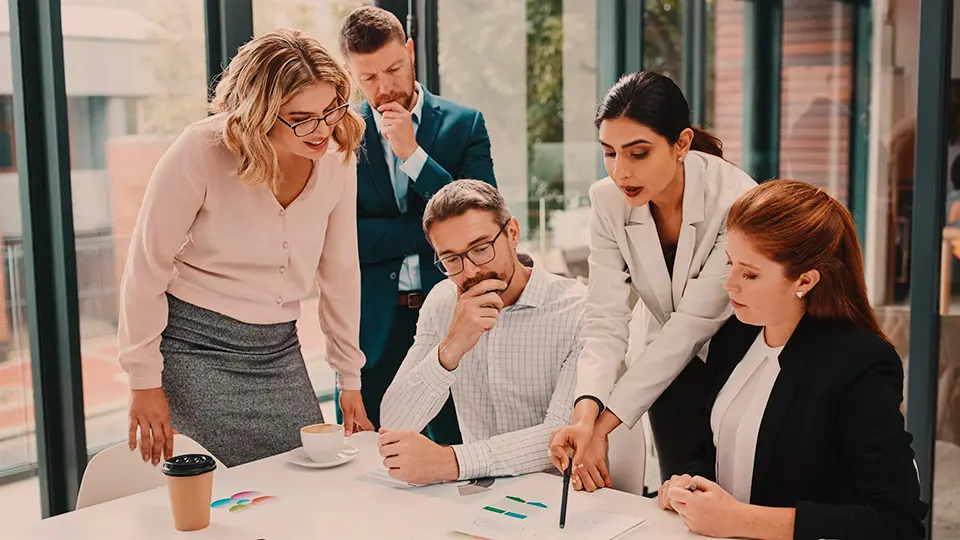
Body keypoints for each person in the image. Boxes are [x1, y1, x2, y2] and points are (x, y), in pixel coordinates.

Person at [119, 29, 374, 468]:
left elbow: (341, 272)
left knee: (306, 483)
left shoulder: (336, 156)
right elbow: (146, 267)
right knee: (222, 501)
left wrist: (349, 377)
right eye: (300, 117)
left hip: (278, 350)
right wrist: (144, 380)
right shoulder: (201, 150)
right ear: (259, 112)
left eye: (330, 110)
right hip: (194, 349)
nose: (321, 130)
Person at [657, 180, 927, 540]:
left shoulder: (861, 363)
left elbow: (896, 521)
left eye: (749, 273)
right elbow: (718, 448)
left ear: (805, 280)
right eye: (730, 264)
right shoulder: (734, 336)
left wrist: (740, 520)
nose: (729, 284)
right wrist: (690, 484)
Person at [549, 71, 756, 491]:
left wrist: (603, 428)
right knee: (677, 491)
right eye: (609, 153)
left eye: (637, 153)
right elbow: (604, 317)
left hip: (738, 357)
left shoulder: (734, 198)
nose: (620, 171)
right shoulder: (607, 200)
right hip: (663, 365)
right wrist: (585, 414)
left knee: (735, 493)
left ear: (680, 143)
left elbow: (692, 324)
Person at [338, 6, 496, 445]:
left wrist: (413, 156)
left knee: (455, 447)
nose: (385, 88)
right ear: (352, 74)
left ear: (409, 52)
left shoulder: (465, 125)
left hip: (451, 317)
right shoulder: (341, 135)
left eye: (393, 68)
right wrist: (430, 233)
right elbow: (342, 241)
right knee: (371, 454)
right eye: (369, 78)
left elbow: (481, 217)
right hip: (374, 325)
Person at [378, 180, 584, 484]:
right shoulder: (443, 301)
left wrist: (452, 462)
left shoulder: (577, 309)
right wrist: (451, 348)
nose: (470, 271)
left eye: (481, 249)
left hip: (562, 495)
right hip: (480, 499)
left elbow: (559, 436)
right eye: (451, 259)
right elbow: (395, 423)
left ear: (512, 233)